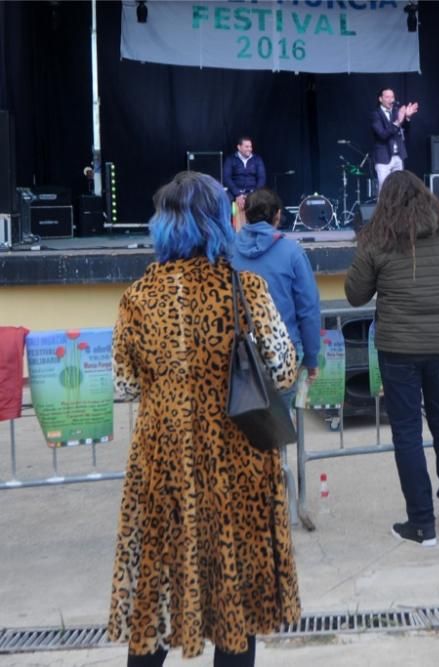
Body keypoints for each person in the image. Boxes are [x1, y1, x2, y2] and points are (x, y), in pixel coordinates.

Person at [108, 172, 301, 666]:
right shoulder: (247, 289)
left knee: (154, 597)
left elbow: (123, 385)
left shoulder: (138, 298)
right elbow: (282, 370)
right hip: (238, 463)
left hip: (164, 465)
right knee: (234, 604)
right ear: (219, 222)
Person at [344, 170, 439, 546]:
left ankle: (421, 523)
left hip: (398, 348)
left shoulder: (377, 240)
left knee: (407, 432)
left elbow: (355, 294)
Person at [231, 188, 321, 403]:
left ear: (246, 214)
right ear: (278, 215)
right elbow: (308, 309)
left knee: (242, 430)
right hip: (282, 354)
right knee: (280, 429)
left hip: (236, 354)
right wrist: (311, 357)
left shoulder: (226, 250)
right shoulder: (292, 252)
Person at [371, 88, 418, 190]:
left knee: (399, 190)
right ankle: (383, 206)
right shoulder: (375, 114)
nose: (391, 100)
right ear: (380, 99)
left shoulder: (397, 112)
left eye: (392, 97)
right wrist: (397, 122)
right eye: (387, 97)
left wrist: (407, 118)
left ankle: (398, 206)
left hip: (398, 156)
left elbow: (406, 132)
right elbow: (382, 135)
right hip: (383, 158)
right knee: (384, 190)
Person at [223, 136, 267, 207]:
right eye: (246, 147)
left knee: (265, 200)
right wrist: (237, 194)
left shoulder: (257, 159)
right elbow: (226, 178)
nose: (249, 149)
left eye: (250, 147)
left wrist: (254, 194)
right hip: (234, 191)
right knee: (225, 200)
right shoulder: (230, 159)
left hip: (253, 191)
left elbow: (262, 178)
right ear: (239, 147)